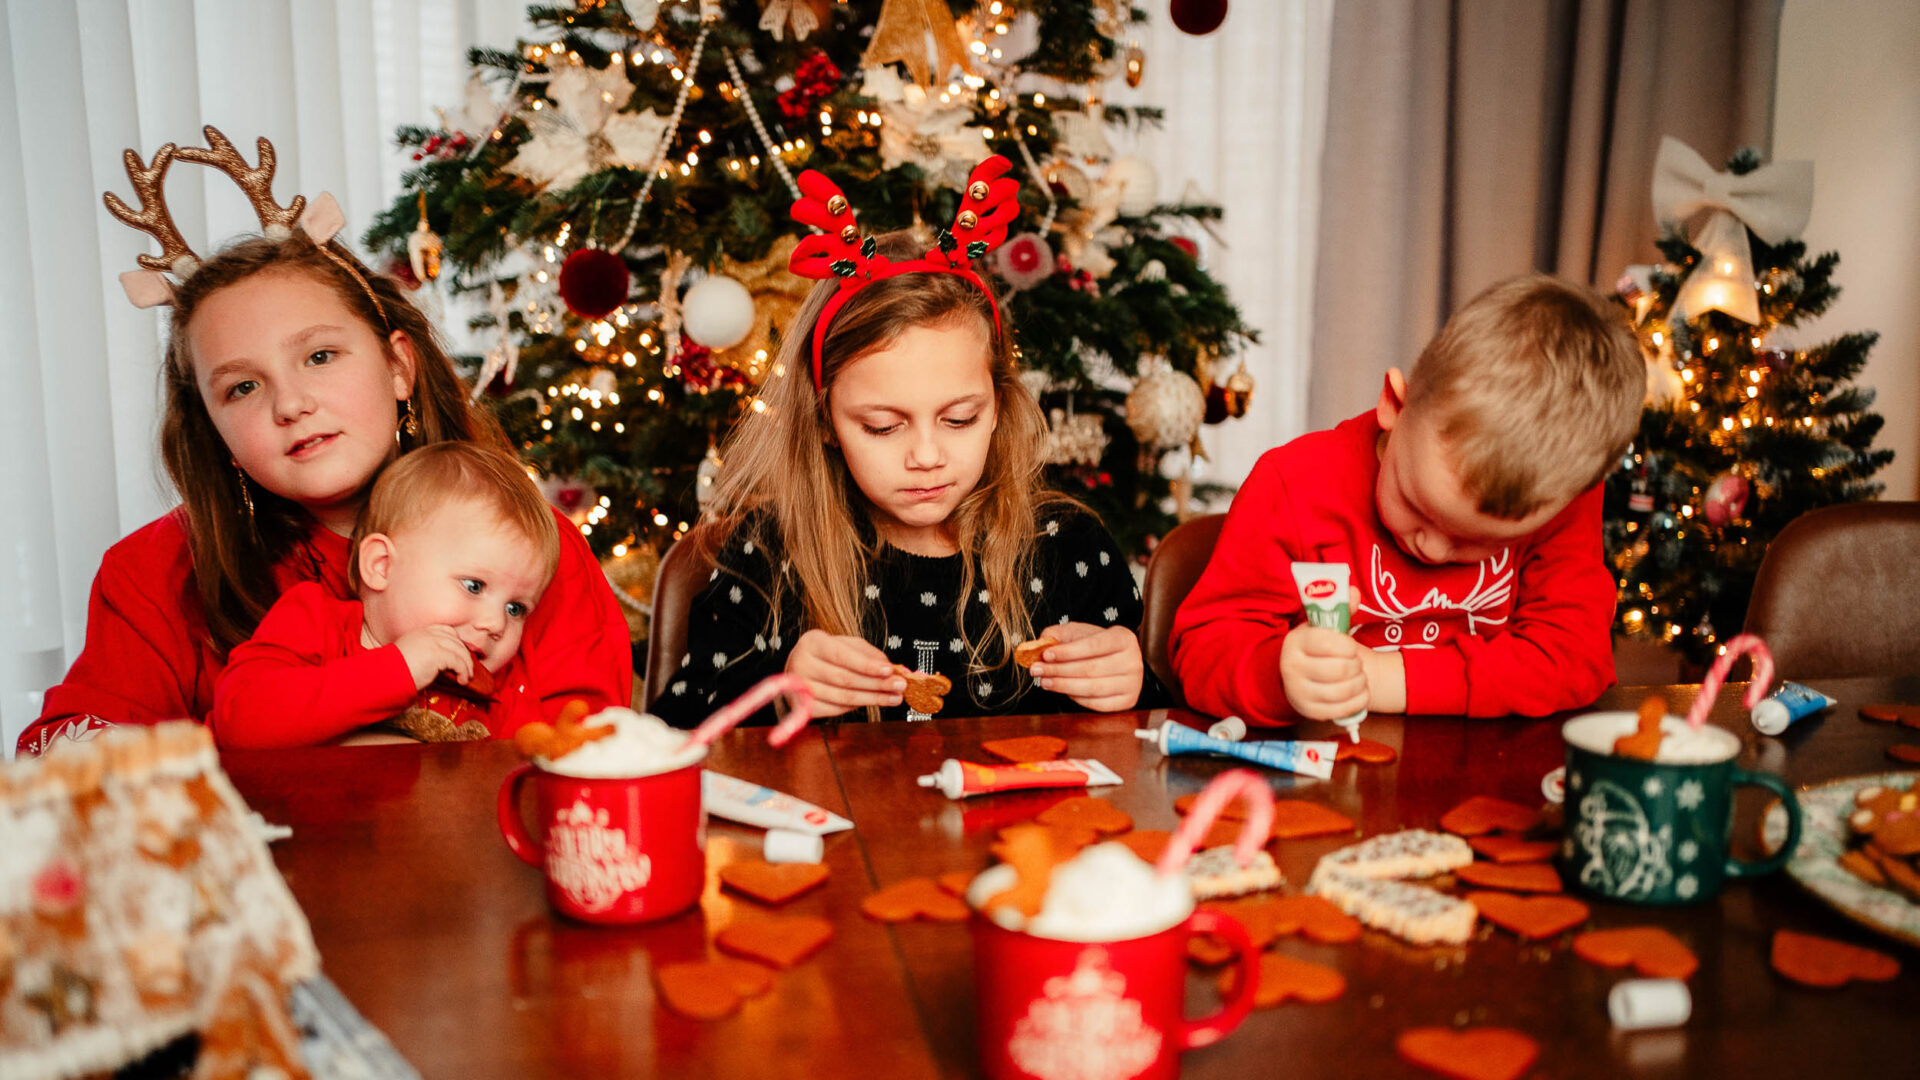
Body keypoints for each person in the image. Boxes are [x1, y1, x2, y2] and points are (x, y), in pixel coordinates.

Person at [18, 128, 631, 755]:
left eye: (319, 356)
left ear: (398, 366)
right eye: (242, 388)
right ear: (214, 430)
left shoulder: (528, 550)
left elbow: (591, 753)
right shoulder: (153, 573)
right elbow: (63, 764)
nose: (290, 404)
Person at [650, 158, 1153, 726]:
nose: (927, 456)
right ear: (825, 420)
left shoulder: (1069, 548)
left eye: (960, 419)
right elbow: (677, 731)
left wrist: (1133, 685)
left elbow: (1149, 736)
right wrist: (781, 694)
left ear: (998, 406)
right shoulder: (768, 554)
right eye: (883, 427)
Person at [1170, 274, 1644, 727]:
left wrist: (1384, 680)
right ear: (1394, 406)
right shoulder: (1293, 485)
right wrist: (1277, 676)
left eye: (1477, 541)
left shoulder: (1555, 499)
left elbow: (1574, 657)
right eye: (1416, 506)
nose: (1433, 550)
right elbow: (1202, 651)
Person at [210, 443, 561, 748]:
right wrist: (399, 668)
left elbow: (525, 778)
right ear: (381, 565)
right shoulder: (316, 622)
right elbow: (238, 722)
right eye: (473, 586)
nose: (496, 623)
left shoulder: (501, 694)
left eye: (515, 608)